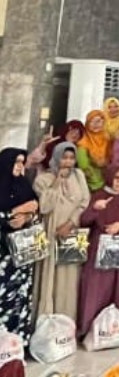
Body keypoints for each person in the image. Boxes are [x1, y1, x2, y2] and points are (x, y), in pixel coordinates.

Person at [78, 164, 119, 337]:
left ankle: (114, 329)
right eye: (116, 178)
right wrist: (95, 209)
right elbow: (84, 220)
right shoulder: (99, 195)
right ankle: (90, 327)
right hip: (100, 246)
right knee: (97, 287)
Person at [33, 142, 91, 321]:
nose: (68, 162)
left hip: (72, 231)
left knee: (69, 276)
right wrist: (57, 180)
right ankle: (46, 320)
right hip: (51, 230)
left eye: (71, 158)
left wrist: (71, 223)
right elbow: (44, 207)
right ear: (56, 157)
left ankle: (66, 321)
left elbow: (85, 202)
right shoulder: (42, 179)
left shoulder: (79, 176)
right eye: (64, 158)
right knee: (50, 273)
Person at [0, 148, 39, 347]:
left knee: (21, 297)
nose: (19, 166)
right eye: (16, 162)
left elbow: (35, 209)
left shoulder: (23, 184)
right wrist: (15, 212)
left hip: (22, 253)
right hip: (3, 253)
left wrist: (27, 216)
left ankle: (18, 342)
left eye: (22, 162)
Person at [77, 110, 112, 191]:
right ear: (87, 124)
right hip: (92, 184)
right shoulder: (83, 142)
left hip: (109, 180)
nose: (95, 125)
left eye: (98, 121)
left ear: (103, 122)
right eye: (91, 122)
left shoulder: (108, 138)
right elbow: (83, 165)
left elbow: (114, 156)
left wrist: (106, 162)